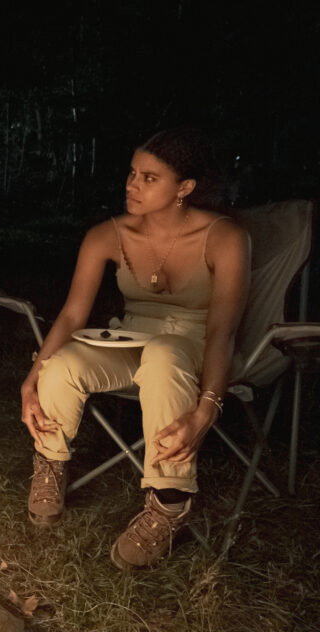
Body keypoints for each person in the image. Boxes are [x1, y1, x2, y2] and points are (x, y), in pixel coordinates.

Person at [19, 128, 249, 569]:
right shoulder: (107, 235)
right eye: (131, 173)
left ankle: (169, 502)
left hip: (193, 347)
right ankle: (49, 462)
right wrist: (31, 381)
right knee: (62, 364)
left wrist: (208, 408)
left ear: (184, 188)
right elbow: (71, 317)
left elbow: (223, 332)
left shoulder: (224, 238)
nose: (131, 185)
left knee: (163, 357)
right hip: (131, 340)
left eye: (149, 178)